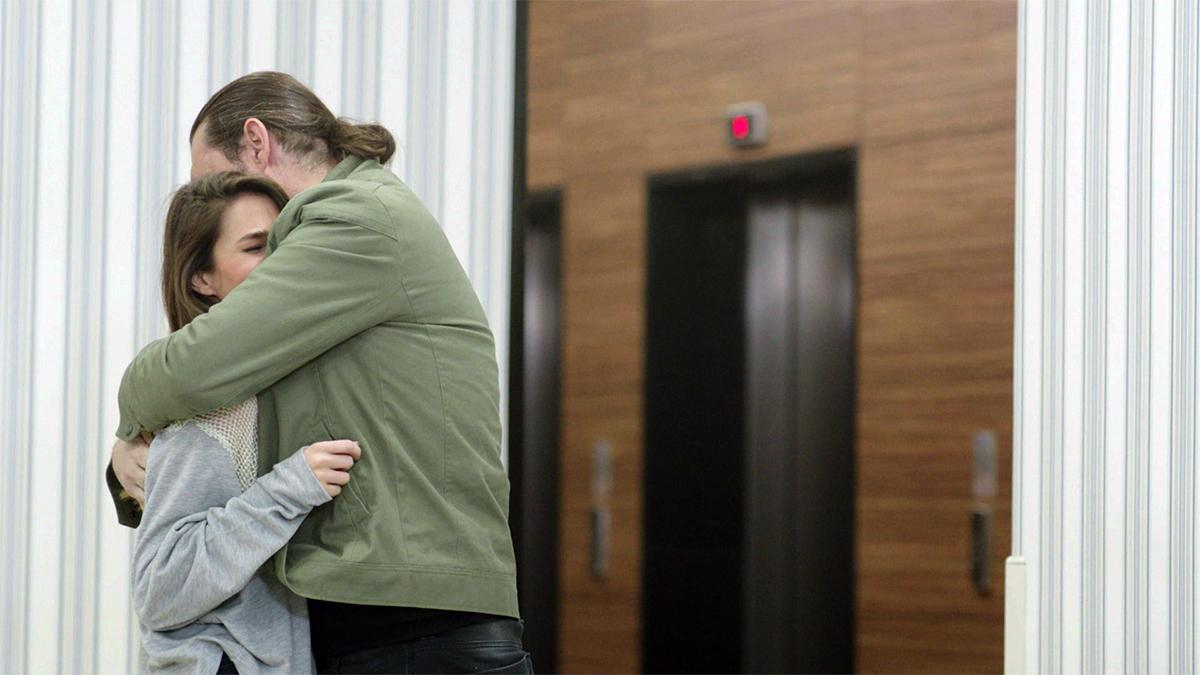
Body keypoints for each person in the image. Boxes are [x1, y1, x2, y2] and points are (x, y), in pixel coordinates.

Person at [108, 72, 530, 674]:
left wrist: (132, 411)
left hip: (415, 625)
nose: (210, 197)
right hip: (381, 619)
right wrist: (131, 454)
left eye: (210, 178)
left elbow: (189, 369)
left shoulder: (356, 218)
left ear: (256, 142)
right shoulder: (343, 236)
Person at [133, 172, 362, 675]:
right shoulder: (211, 407)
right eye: (257, 247)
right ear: (202, 278)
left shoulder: (287, 377)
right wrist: (289, 489)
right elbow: (158, 588)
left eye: (285, 240)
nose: (281, 259)